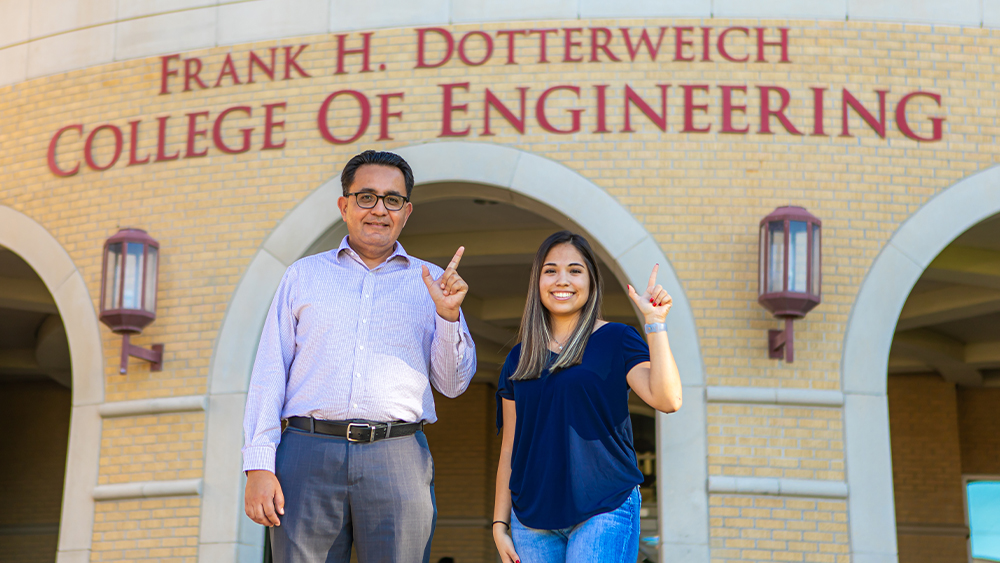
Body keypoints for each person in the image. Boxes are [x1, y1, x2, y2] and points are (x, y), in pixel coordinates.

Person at [242, 150, 477, 563]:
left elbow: (454, 385)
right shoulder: (303, 275)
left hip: (398, 456)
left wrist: (448, 316)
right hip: (306, 453)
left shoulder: (432, 284)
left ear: (406, 212)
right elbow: (269, 371)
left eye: (392, 200)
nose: (378, 210)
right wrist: (259, 464)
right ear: (344, 205)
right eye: (366, 197)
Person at [492, 231, 682, 563]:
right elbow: (511, 446)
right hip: (531, 520)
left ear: (591, 281)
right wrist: (499, 524)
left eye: (574, 270)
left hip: (603, 508)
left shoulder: (617, 339)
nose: (561, 279)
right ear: (538, 281)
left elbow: (667, 400)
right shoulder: (519, 357)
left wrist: (655, 324)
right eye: (550, 270)